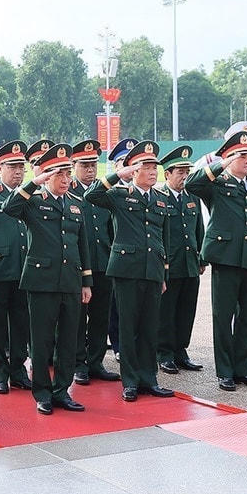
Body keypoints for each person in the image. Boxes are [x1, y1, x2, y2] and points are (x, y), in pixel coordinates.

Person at [3, 143, 92, 414]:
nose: (65, 180)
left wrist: (86, 282)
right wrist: (34, 182)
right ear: (46, 176)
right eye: (58, 175)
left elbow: (82, 245)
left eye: (67, 175)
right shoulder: (33, 201)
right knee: (41, 341)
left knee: (68, 340)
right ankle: (42, 392)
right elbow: (9, 208)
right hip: (41, 282)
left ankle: (62, 390)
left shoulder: (76, 204)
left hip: (70, 281)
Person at [84, 141, 173, 402]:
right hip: (126, 270)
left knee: (149, 326)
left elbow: (163, 239)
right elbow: (92, 195)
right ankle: (130, 381)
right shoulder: (121, 195)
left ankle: (149, 378)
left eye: (154, 166)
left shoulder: (160, 199)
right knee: (128, 326)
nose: (153, 171)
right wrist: (118, 176)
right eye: (146, 167)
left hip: (153, 270)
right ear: (133, 171)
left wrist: (164, 274)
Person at [186, 131, 247, 392]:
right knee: (223, 317)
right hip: (225, 258)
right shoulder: (217, 183)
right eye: (241, 156)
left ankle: (243, 369)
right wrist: (221, 164)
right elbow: (192, 183)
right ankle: (225, 372)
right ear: (228, 158)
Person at [0, 140, 32, 394]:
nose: (18, 172)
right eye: (12, 167)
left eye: (21, 167)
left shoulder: (29, 194)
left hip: (24, 270)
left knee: (22, 324)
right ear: (0, 167)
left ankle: (19, 370)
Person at [68, 139, 120, 385]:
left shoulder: (104, 193)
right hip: (78, 266)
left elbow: (111, 229)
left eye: (93, 165)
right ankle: (78, 363)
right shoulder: (69, 193)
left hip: (103, 262)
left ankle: (96, 361)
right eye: (84, 165)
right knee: (78, 317)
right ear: (74, 165)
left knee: (101, 315)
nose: (90, 170)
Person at [157, 145, 206, 374]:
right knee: (166, 311)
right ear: (167, 174)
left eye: (187, 171)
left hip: (189, 263)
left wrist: (201, 258)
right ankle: (164, 352)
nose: (185, 176)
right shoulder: (159, 197)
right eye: (180, 172)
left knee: (187, 309)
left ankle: (181, 350)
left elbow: (199, 229)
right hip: (170, 264)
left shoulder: (192, 198)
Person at [105, 138, 138, 362]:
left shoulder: (141, 191)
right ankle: (117, 345)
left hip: (136, 259)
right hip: (111, 255)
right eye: (122, 164)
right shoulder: (110, 193)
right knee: (114, 306)